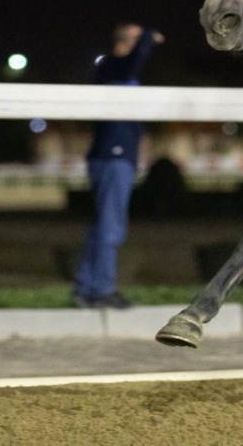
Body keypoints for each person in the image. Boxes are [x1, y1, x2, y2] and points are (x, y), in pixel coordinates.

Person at [71, 23, 165, 309]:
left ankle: (86, 289)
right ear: (127, 42)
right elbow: (133, 64)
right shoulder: (113, 66)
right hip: (111, 157)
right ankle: (102, 289)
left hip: (118, 157)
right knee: (111, 227)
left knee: (104, 226)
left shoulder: (118, 69)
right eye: (139, 40)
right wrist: (149, 37)